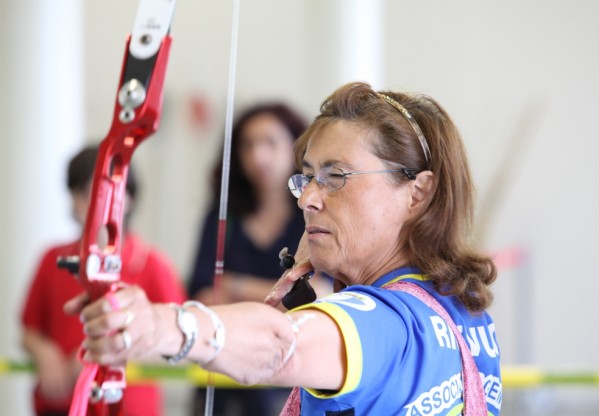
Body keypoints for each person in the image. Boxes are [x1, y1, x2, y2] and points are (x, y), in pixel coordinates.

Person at [66, 82, 502, 415]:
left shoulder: (388, 321)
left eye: (337, 176)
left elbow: (280, 345)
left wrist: (159, 326)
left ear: (417, 193)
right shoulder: (460, 310)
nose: (307, 198)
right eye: (307, 176)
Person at [21, 146, 187, 416]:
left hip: (127, 406)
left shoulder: (152, 264)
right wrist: (44, 352)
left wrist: (108, 352)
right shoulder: (53, 258)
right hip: (59, 403)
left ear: (128, 197)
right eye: (84, 193)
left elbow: (178, 339)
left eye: (105, 193)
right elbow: (30, 330)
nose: (92, 203)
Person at [189, 103, 330, 415]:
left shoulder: (311, 217)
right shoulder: (221, 218)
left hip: (291, 380)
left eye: (270, 142)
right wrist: (281, 298)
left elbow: (321, 297)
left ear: (296, 149)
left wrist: (235, 286)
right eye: (248, 145)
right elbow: (202, 297)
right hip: (221, 378)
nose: (258, 156)